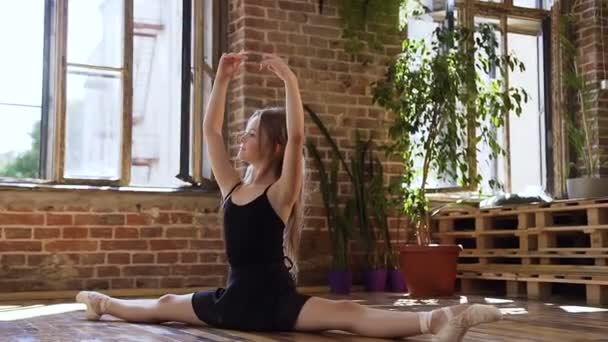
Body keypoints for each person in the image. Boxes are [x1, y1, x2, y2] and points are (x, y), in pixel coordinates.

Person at [76, 51, 502, 341]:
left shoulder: (281, 193)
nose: (241, 139)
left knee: (350, 316)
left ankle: (441, 321)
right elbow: (210, 132)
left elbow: (298, 137)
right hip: (234, 300)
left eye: (252, 133)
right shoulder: (233, 187)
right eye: (243, 132)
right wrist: (221, 79)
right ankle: (103, 302)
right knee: (166, 304)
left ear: (273, 146)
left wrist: (290, 81)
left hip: (277, 301)